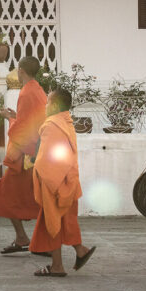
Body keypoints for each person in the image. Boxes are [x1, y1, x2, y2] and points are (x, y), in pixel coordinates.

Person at [29, 88, 96, 277]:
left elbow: (47, 159)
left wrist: (41, 175)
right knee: (64, 219)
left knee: (53, 222)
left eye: (48, 102)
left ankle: (57, 266)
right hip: (68, 179)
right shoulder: (66, 122)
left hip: (55, 181)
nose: (46, 105)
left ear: (56, 105)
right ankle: (80, 250)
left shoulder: (52, 125)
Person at [0, 56, 47, 254]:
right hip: (36, 151)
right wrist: (17, 116)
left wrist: (9, 118)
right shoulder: (39, 90)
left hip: (26, 155)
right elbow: (32, 121)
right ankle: (32, 239)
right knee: (36, 198)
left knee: (6, 193)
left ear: (21, 71)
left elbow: (25, 130)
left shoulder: (26, 92)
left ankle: (27, 238)